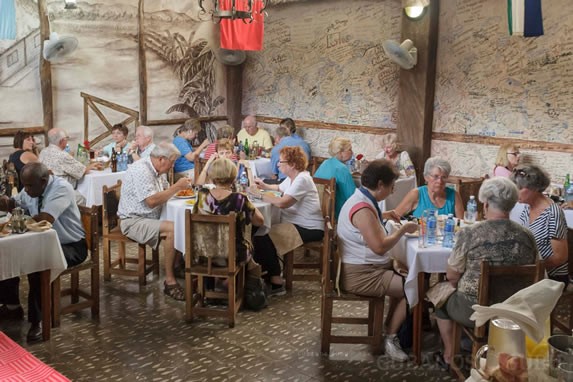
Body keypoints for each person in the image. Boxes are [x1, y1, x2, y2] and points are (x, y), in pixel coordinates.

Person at [434, 177, 539, 368]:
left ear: (486, 203)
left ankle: (450, 355)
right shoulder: (527, 235)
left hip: (475, 310)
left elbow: (452, 276)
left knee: (440, 300)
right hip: (516, 310)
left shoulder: (470, 233)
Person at [337, 159, 418, 362]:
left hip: (366, 268)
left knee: (407, 277)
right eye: (391, 187)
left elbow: (367, 225)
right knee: (413, 287)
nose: (392, 192)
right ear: (380, 184)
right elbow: (380, 246)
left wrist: (383, 215)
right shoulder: (363, 209)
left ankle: (389, 327)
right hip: (361, 275)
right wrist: (402, 230)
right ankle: (391, 338)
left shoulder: (361, 199)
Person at [0, 163, 89, 342]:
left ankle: (38, 322)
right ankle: (12, 306)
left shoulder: (60, 189)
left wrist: (15, 218)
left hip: (72, 245)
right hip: (41, 242)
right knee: (7, 255)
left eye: (29, 185)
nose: (26, 189)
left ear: (43, 181)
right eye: (24, 185)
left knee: (37, 265)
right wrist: (7, 202)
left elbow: (45, 220)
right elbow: (18, 202)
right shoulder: (32, 188)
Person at [117, 142, 194, 301]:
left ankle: (178, 265)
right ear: (161, 159)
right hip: (133, 221)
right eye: (172, 162)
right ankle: (170, 282)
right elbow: (151, 201)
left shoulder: (158, 170)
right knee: (174, 229)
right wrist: (177, 187)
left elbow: (165, 192)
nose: (173, 166)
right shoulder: (141, 170)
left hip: (150, 216)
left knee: (183, 222)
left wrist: (182, 189)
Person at [250, 146, 324, 294]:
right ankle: (266, 275)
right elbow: (279, 187)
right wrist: (264, 186)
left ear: (292, 164)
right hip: (297, 222)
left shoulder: (302, 179)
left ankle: (276, 281)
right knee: (258, 229)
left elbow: (283, 202)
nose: (278, 164)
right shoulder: (294, 177)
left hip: (310, 227)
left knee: (262, 233)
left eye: (281, 162)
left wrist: (259, 195)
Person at [193, 157, 264, 263]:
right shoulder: (240, 198)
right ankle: (240, 276)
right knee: (251, 241)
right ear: (233, 177)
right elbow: (259, 221)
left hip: (204, 253)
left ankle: (210, 278)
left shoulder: (202, 195)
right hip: (233, 255)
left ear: (212, 176)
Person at [510, 164, 569, 285]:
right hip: (532, 272)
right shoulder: (527, 208)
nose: (515, 192)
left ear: (535, 188)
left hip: (552, 279)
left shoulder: (553, 213)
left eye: (519, 188)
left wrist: (530, 267)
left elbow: (560, 257)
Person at [39, 128, 101, 204]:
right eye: (66, 138)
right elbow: (82, 171)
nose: (67, 140)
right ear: (61, 141)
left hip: (46, 190)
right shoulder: (62, 155)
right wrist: (92, 165)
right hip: (61, 192)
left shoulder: (43, 151)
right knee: (87, 199)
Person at [395, 157, 464, 219]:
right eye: (436, 176)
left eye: (444, 177)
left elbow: (461, 225)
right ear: (426, 177)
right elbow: (394, 217)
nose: (440, 181)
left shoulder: (454, 196)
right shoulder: (416, 194)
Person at [314, 137, 356, 220]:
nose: (352, 152)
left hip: (320, 210)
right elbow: (353, 197)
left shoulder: (325, 163)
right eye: (349, 149)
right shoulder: (342, 169)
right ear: (340, 153)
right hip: (337, 213)